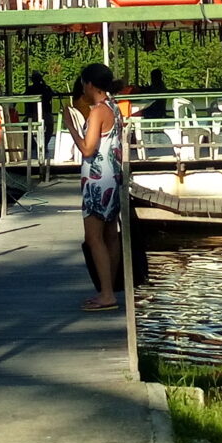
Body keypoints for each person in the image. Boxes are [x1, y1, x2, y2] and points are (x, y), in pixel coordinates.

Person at [72, 63, 126, 311]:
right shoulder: (114, 108)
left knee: (93, 237)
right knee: (110, 235)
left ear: (90, 84)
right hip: (113, 177)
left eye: (84, 82)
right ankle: (110, 287)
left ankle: (106, 294)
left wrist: (71, 125)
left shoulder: (98, 112)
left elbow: (88, 148)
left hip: (97, 180)